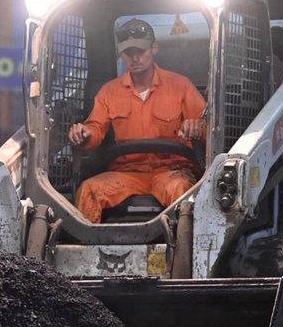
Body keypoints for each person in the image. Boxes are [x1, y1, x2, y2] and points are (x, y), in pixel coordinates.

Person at [67, 18, 207, 223]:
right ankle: (87, 251)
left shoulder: (180, 86)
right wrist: (85, 134)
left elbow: (208, 129)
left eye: (140, 51)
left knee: (182, 191)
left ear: (154, 48)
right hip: (127, 173)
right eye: (128, 53)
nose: (134, 58)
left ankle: (183, 249)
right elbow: (95, 128)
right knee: (89, 190)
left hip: (171, 171)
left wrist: (196, 127)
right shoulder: (109, 92)